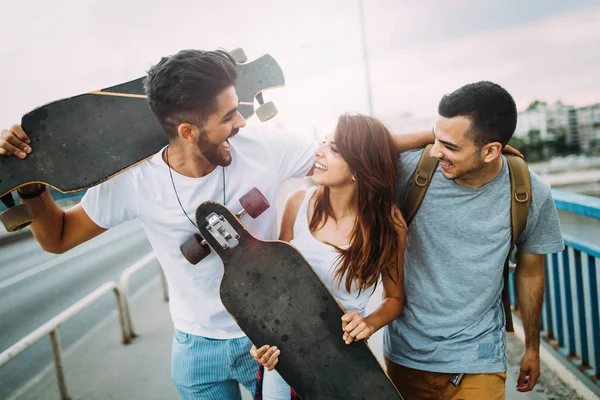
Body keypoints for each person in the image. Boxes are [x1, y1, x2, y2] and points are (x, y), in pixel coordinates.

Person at [0, 49, 435, 399]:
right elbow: (57, 237)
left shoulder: (267, 147)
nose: (241, 122)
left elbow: (361, 150)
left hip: (277, 335)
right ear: (188, 131)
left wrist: (444, 141)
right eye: (228, 117)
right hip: (197, 347)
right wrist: (32, 181)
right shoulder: (136, 181)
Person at [384, 81, 564, 399]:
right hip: (407, 354)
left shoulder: (530, 192)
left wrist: (533, 349)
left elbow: (531, 271)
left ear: (492, 150)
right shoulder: (412, 172)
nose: (438, 152)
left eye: (450, 146)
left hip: (480, 358)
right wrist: (437, 138)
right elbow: (351, 147)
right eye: (436, 139)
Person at [250, 113, 406, 400]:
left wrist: (369, 324)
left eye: (334, 149)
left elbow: (394, 299)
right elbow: (271, 291)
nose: (318, 151)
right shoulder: (297, 203)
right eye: (323, 142)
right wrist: (260, 343)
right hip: (285, 355)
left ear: (359, 168)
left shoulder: (389, 226)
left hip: (342, 362)